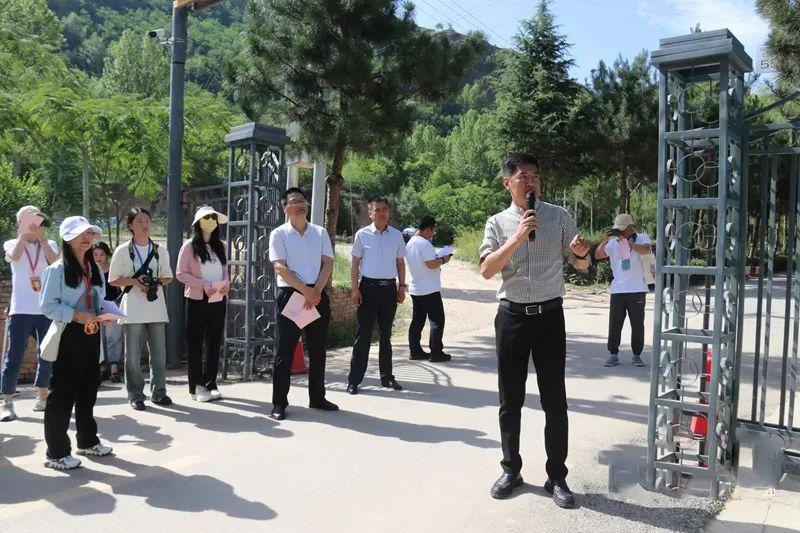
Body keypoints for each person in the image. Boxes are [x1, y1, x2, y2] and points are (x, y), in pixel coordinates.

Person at [479, 153, 591, 508]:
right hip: (511, 317)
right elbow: (486, 270)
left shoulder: (558, 216)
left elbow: (581, 263)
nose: (531, 182)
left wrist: (582, 253)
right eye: (523, 176)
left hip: (549, 317)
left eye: (535, 176)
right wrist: (517, 236)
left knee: (555, 401)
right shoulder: (497, 223)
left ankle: (557, 476)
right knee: (509, 401)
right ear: (507, 183)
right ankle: (511, 470)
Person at [39, 216, 114, 470]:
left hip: (92, 333)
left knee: (89, 388)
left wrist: (106, 313)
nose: (87, 238)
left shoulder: (94, 268)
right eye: (81, 233)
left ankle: (87, 440)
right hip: (69, 333)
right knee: (63, 392)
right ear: (67, 237)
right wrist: (77, 316)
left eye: (90, 233)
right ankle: (56, 453)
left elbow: (99, 298)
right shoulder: (56, 269)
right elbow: (47, 305)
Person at [267, 188, 338, 420]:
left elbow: (328, 263)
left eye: (303, 201)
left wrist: (316, 291)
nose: (300, 205)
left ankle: (317, 397)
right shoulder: (279, 234)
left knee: (318, 350)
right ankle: (279, 403)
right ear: (284, 207)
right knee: (285, 351)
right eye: (294, 201)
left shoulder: (319, 232)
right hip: (292, 294)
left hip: (316, 294)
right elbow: (280, 267)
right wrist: (306, 291)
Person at [108, 207, 174, 411]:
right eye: (139, 221)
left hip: (156, 307)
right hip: (133, 309)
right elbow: (113, 280)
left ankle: (159, 392)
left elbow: (168, 276)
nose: (144, 225)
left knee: (159, 355)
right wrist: (135, 282)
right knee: (133, 356)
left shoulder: (160, 250)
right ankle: (135, 395)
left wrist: (155, 283)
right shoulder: (122, 251)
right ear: (130, 225)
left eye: (147, 220)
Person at [1, 205, 59, 422]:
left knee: (46, 353)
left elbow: (55, 262)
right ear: (20, 223)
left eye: (36, 220)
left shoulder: (49, 243)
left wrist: (42, 239)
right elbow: (14, 256)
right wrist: (23, 236)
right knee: (14, 356)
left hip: (46, 308)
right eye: (26, 221)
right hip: (21, 309)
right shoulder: (12, 243)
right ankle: (7, 402)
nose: (32, 225)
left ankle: (42, 396)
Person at [346, 197, 407, 395]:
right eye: (377, 210)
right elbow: (355, 264)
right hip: (368, 289)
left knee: (386, 335)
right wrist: (355, 289)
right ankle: (354, 380)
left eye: (385, 209)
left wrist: (402, 286)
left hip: (389, 289)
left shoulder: (396, 236)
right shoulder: (362, 235)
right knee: (363, 335)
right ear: (370, 213)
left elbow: (400, 263)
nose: (382, 213)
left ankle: (387, 376)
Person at [177, 206, 230, 402]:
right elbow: (181, 274)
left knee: (214, 342)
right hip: (197, 299)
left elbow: (225, 270)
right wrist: (203, 285)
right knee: (195, 343)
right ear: (198, 222)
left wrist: (226, 285)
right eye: (207, 218)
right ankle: (196, 386)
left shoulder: (222, 246)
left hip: (218, 299)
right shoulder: (189, 247)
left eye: (213, 218)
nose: (211, 221)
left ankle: (211, 383)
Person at [594, 213, 651, 368]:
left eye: (622, 229)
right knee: (615, 324)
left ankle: (637, 355)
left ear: (631, 228)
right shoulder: (613, 244)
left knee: (637, 324)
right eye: (617, 229)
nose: (619, 232)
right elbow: (598, 255)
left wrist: (629, 245)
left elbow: (646, 249)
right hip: (618, 290)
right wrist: (605, 240)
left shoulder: (642, 238)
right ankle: (613, 354)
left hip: (637, 289)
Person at [405, 216, 451, 362]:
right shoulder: (424, 244)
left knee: (417, 321)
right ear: (427, 229)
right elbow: (431, 264)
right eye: (433, 230)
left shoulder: (411, 242)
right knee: (437, 321)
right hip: (429, 289)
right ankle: (436, 352)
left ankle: (415, 351)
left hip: (416, 288)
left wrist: (436, 259)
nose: (433, 234)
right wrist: (443, 259)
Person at [92, 242, 124, 383]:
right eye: (95, 255)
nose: (98, 258)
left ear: (107, 256)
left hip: (112, 307)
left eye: (102, 255)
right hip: (95, 309)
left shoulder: (113, 270)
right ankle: (102, 368)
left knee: (113, 338)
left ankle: (114, 369)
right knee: (99, 339)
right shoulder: (90, 271)